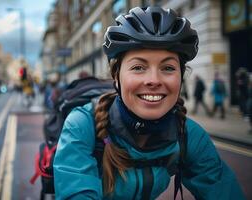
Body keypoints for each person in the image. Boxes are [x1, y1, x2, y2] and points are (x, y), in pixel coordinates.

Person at [53, 6, 244, 199]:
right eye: (138, 67)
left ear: (181, 77)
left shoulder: (187, 134)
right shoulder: (82, 124)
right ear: (116, 77)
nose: (154, 80)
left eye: (168, 67)